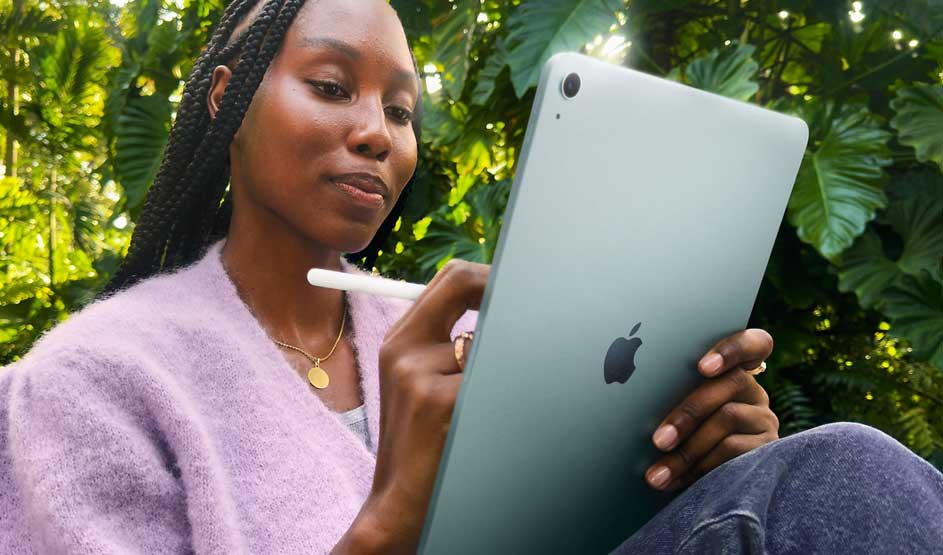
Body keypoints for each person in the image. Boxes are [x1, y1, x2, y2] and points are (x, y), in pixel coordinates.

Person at [0, 0, 940, 553]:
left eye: (402, 110)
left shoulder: (449, 348)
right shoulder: (93, 381)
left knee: (819, 476)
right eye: (331, 86)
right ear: (226, 97)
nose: (378, 131)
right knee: (843, 468)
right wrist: (390, 521)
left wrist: (710, 473)